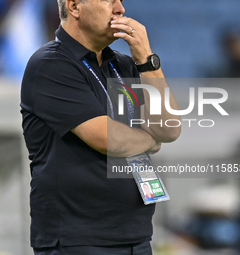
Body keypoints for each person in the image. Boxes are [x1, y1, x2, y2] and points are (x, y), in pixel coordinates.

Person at [20, 0, 181, 254]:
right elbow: (108, 138)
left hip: (135, 236)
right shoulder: (50, 64)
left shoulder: (125, 65)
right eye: (109, 0)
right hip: (79, 239)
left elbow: (170, 128)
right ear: (74, 6)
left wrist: (147, 61)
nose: (120, 9)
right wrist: (151, 140)